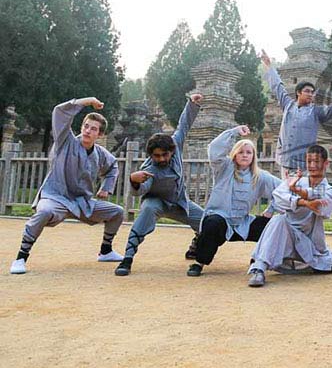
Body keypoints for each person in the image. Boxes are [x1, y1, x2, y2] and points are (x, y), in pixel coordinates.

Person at [10, 98, 124, 274]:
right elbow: (59, 112)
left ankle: (106, 251)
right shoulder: (65, 141)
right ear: (81, 127)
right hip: (56, 197)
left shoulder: (100, 153)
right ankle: (20, 258)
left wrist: (106, 187)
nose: (88, 130)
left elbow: (112, 167)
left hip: (83, 202)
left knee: (117, 212)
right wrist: (87, 102)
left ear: (100, 135)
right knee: (45, 211)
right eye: (86, 126)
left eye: (93, 129)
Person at [115, 94, 205, 276]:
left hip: (179, 203)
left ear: (171, 151)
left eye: (165, 155)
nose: (161, 159)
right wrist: (134, 180)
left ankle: (197, 243)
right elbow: (139, 192)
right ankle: (127, 258)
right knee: (147, 210)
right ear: (151, 155)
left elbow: (183, 126)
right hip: (156, 202)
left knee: (207, 221)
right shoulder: (149, 169)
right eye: (156, 156)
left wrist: (192, 104)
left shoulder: (176, 146)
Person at [247, 145, 332, 287]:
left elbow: (321, 205)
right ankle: (259, 268)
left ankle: (309, 263)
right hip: (287, 238)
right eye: (309, 162)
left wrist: (297, 191)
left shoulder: (329, 190)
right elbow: (278, 197)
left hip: (310, 244)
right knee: (279, 219)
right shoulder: (294, 180)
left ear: (326, 164)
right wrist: (300, 201)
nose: (312, 166)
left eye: (316, 162)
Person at [186, 125, 282, 277]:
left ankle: (260, 260)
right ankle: (199, 262)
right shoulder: (224, 167)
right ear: (234, 154)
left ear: (253, 156)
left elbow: (282, 190)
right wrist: (234, 131)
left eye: (249, 152)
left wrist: (271, 210)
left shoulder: (260, 176)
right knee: (213, 223)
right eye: (241, 152)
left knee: (273, 225)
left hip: (242, 223)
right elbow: (214, 150)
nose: (245, 155)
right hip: (220, 219)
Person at [260, 50, 332, 177]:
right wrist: (269, 65)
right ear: (298, 93)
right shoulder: (288, 105)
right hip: (284, 161)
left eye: (312, 92)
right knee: (285, 194)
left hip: (303, 165)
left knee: (301, 193)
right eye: (307, 91)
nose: (310, 94)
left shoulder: (316, 111)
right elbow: (278, 87)